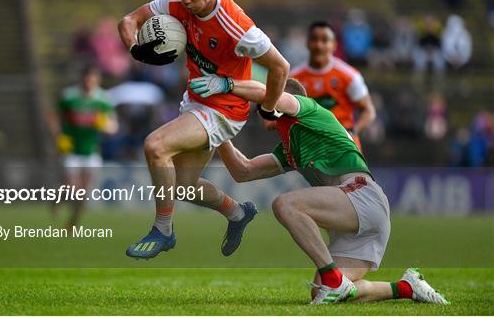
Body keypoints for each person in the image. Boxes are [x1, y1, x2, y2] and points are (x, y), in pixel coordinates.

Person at [189, 75, 449, 305]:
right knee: (321, 291)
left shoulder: (309, 110)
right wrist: (218, 127)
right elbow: (243, 170)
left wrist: (228, 86)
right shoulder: (291, 142)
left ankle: (332, 278)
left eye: (266, 104)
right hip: (357, 214)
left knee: (286, 205)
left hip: (360, 196)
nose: (261, 109)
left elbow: (273, 96)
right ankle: (405, 287)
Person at [117, 0, 289, 259]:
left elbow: (281, 67)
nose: (184, 0)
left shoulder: (236, 24)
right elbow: (128, 21)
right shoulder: (175, 0)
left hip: (226, 109)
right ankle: (238, 213)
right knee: (184, 185)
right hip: (196, 101)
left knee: (156, 146)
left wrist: (268, 106)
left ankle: (163, 230)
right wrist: (135, 49)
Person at [49, 66, 118, 228]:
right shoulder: (69, 97)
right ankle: (56, 200)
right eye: (87, 79)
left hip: (91, 150)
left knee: (84, 192)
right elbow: (53, 117)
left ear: (97, 80)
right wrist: (58, 136)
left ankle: (72, 222)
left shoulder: (103, 99)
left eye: (92, 79)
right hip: (71, 149)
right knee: (72, 188)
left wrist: (104, 125)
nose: (89, 83)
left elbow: (113, 127)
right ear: (82, 79)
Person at [290, 21, 376, 150]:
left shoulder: (349, 75)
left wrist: (352, 132)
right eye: (314, 39)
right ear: (307, 43)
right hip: (309, 148)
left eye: (325, 40)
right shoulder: (294, 77)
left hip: (344, 147)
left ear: (334, 45)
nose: (319, 45)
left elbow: (369, 111)